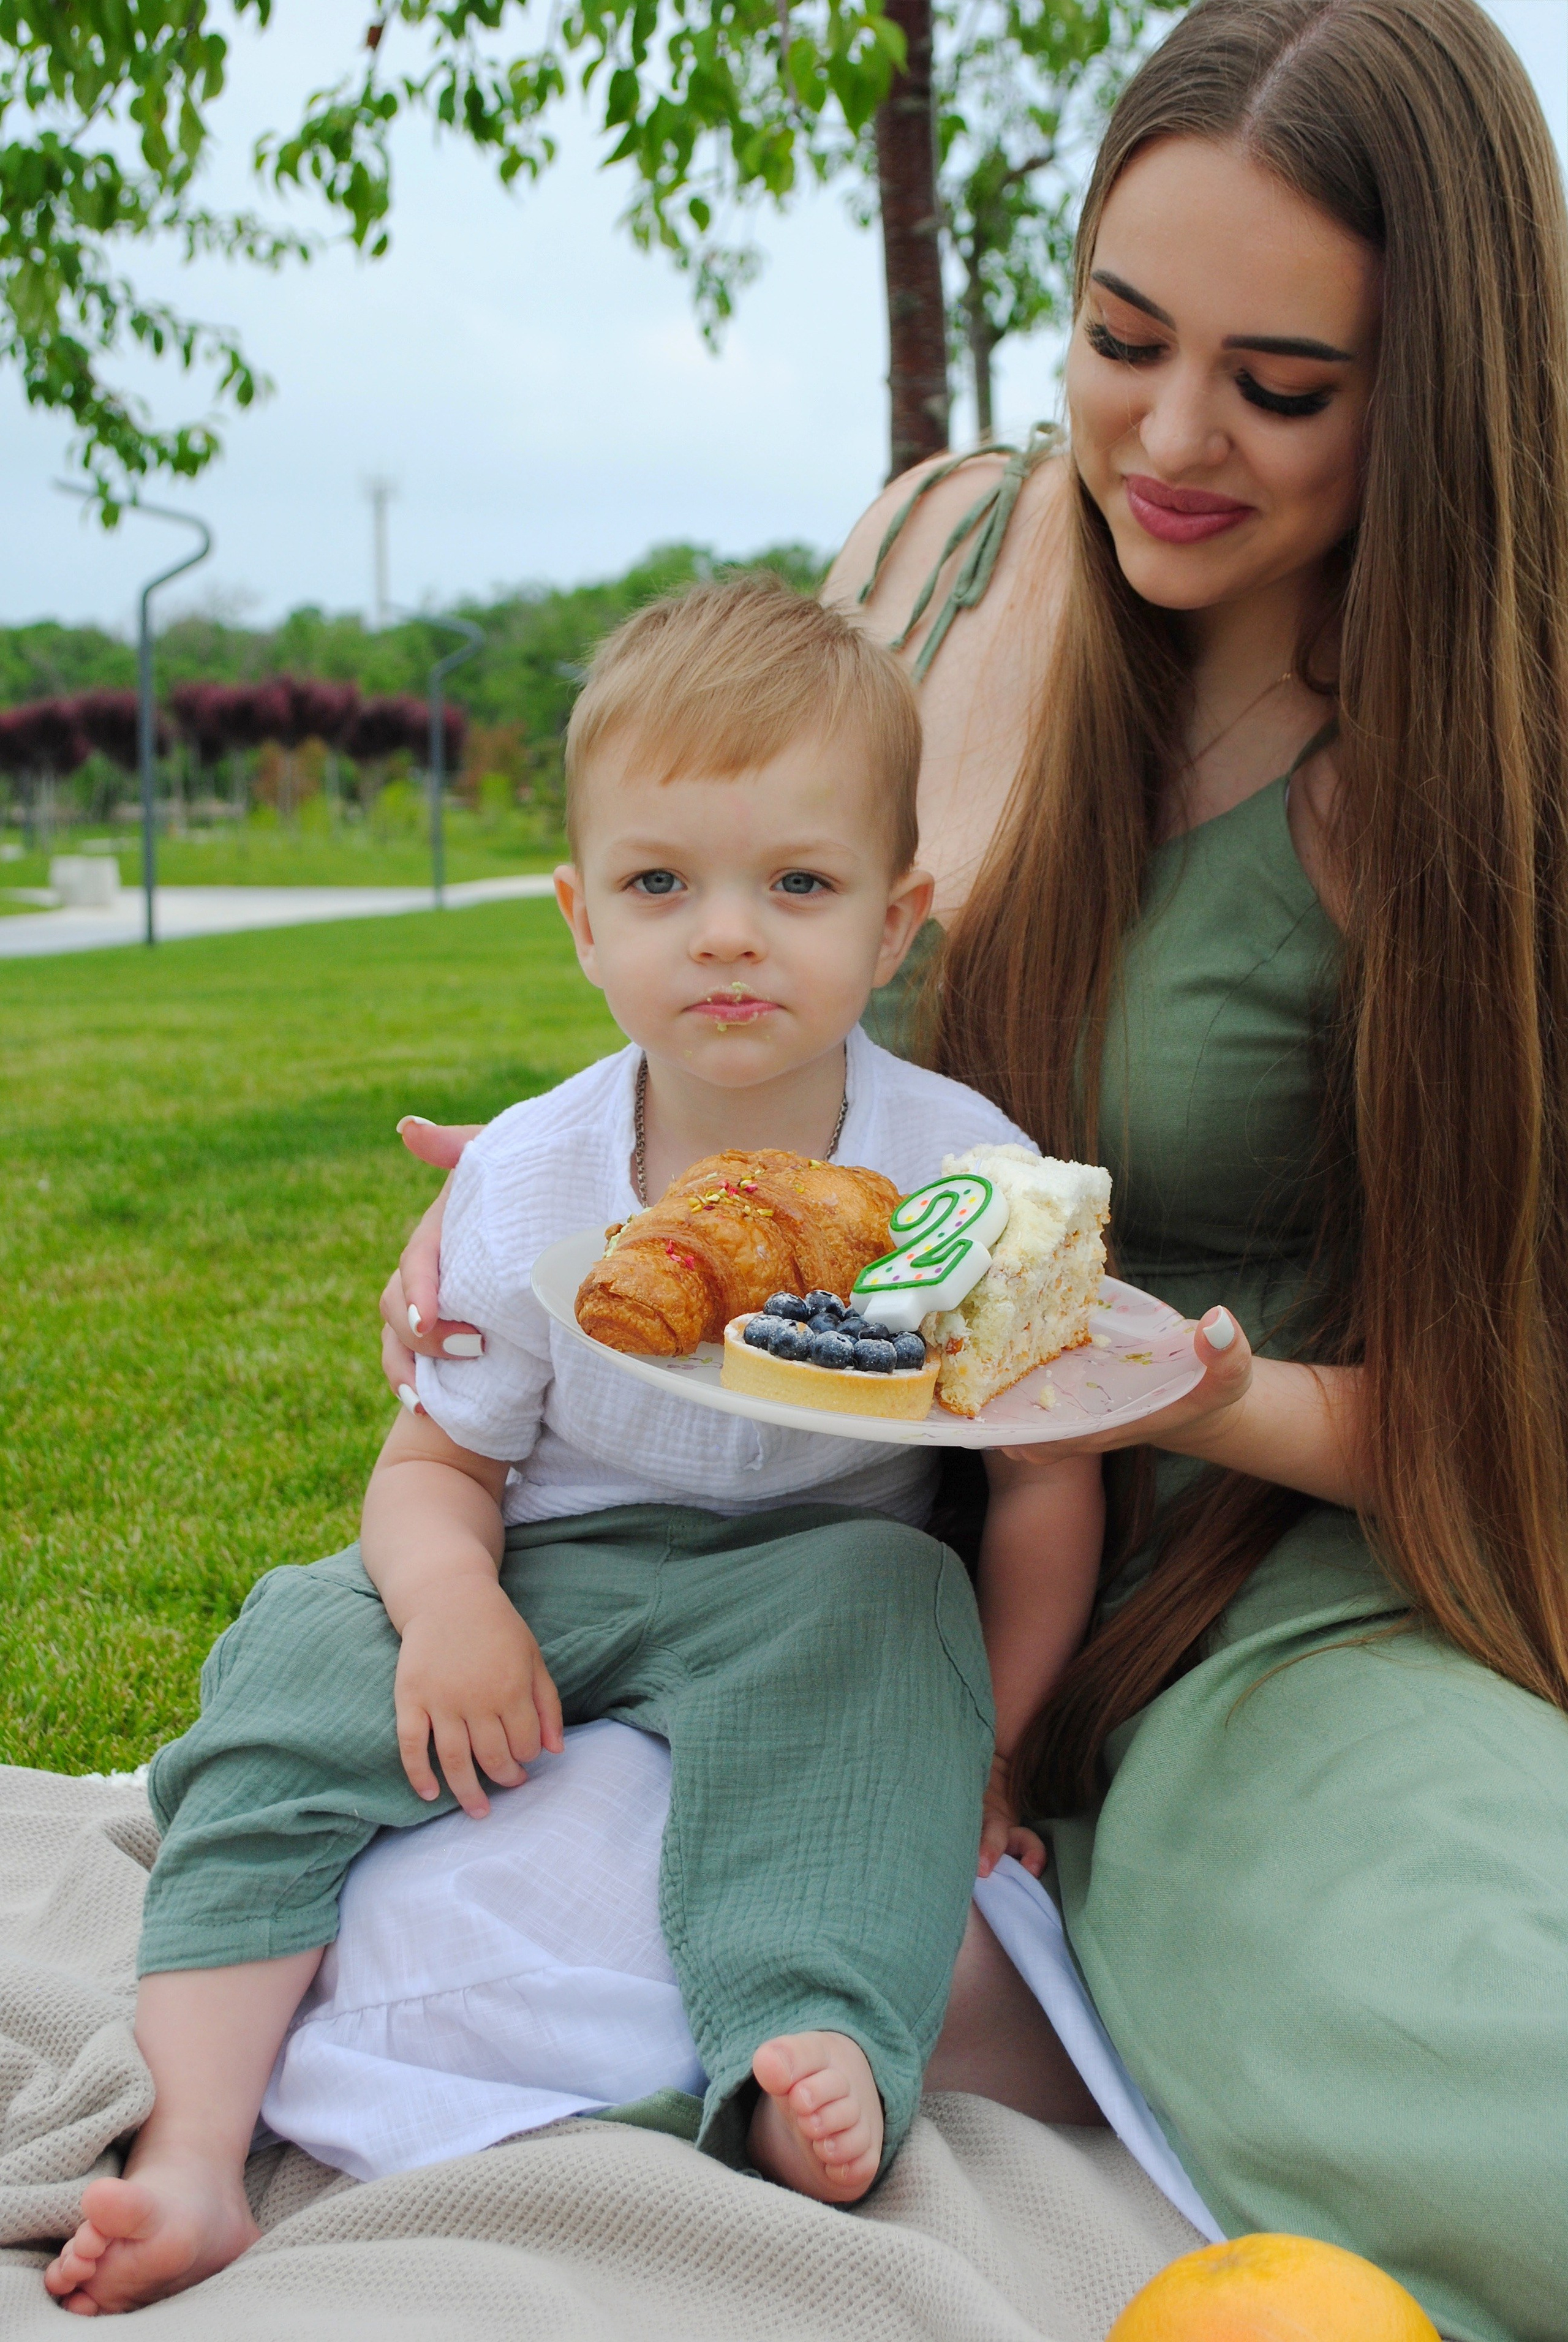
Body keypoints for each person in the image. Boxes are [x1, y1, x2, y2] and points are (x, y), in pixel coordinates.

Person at [374, 5, 1568, 2336]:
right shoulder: (951, 576)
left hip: (1255, 1585)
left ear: (1443, 390)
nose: (1168, 436)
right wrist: (560, 1184)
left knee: (1490, 2104)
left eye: (1285, 384)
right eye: (1123, 340)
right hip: (826, 1562)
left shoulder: (1476, 794)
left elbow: (1508, 1405)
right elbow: (751, 969)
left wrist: (1172, 1392)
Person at [44, 576, 1139, 2316]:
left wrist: (994, 1745)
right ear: (579, 919)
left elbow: (1040, 1477)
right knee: (303, 1650)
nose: (725, 935)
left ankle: (802, 2036)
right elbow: (433, 1468)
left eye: (797, 884)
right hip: (548, 1553)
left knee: (886, 1629)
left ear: (898, 915)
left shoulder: (958, 1177)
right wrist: (451, 1602)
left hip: (810, 1574)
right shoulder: (536, 1178)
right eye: (660, 884)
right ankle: (188, 2147)